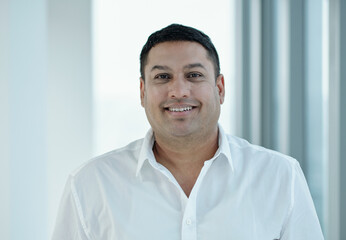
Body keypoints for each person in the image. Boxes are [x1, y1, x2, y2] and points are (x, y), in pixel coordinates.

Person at [52, 24, 324, 240]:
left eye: (193, 75)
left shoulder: (280, 176)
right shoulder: (90, 185)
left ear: (220, 88)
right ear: (142, 91)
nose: (179, 91)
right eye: (162, 77)